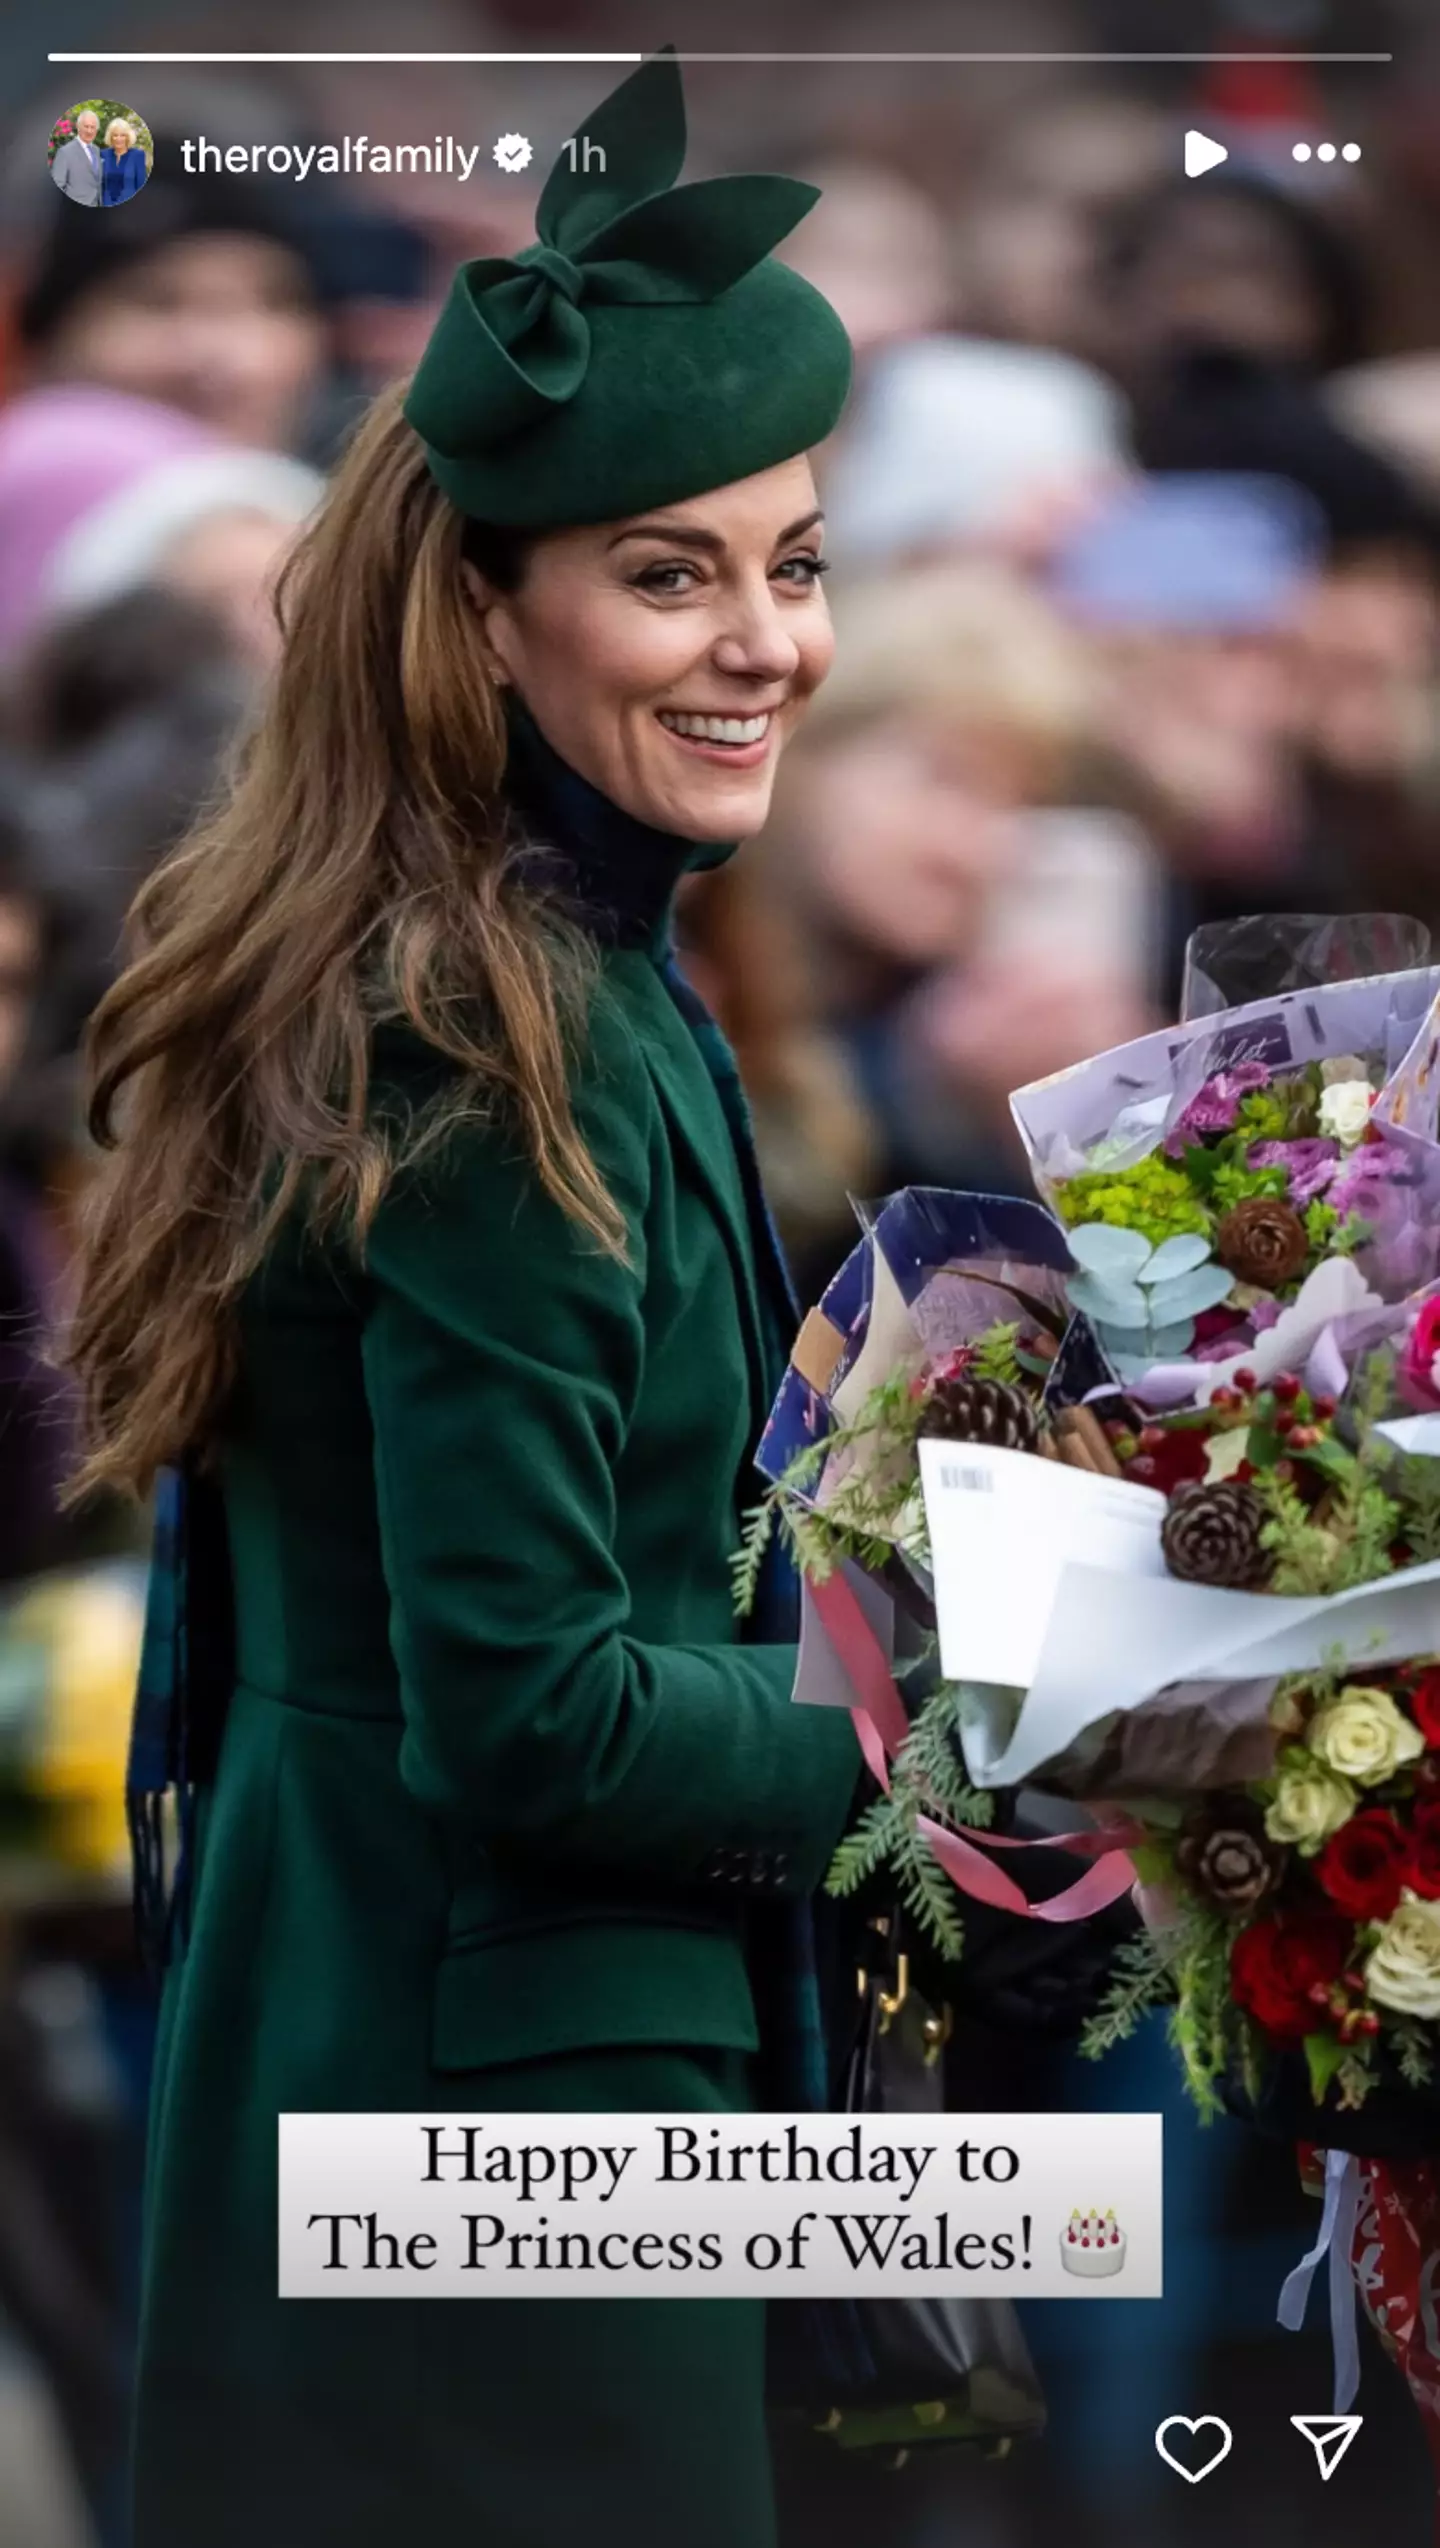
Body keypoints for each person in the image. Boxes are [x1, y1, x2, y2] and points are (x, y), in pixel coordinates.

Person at [62, 52, 863, 2548]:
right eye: (669, 572)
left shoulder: (523, 971)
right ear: (480, 612)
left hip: (392, 2036)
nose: (766, 646)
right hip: (503, 2107)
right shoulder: (481, 1019)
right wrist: (975, 1724)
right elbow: (535, 1710)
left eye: (797, 562)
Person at [49, 110, 103, 209]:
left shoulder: (96, 150)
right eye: (86, 126)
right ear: (78, 127)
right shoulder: (65, 152)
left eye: (93, 127)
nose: (89, 131)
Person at [99, 120, 147, 209]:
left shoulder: (138, 155)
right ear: (110, 137)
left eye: (122, 135)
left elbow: (141, 184)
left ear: (128, 137)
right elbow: (100, 185)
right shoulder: (103, 155)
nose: (118, 139)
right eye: (115, 135)